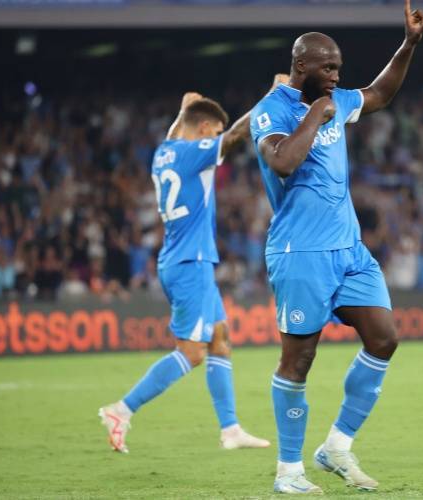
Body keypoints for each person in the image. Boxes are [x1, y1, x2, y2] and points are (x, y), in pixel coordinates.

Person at [249, 0, 423, 493]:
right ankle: (289, 472)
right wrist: (315, 113)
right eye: (327, 68)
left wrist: (408, 44)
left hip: (349, 250)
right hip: (300, 253)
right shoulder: (270, 111)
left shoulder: (336, 99)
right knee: (299, 360)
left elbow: (379, 94)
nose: (335, 76)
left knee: (384, 338)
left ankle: (336, 446)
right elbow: (282, 162)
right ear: (301, 65)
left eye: (338, 68)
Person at [99, 75, 288, 454]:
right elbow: (234, 136)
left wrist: (183, 111)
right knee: (192, 351)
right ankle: (121, 410)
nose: (214, 139)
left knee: (219, 339)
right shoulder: (194, 152)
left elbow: (178, 132)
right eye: (211, 132)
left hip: (180, 259)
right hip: (190, 263)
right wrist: (271, 96)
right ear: (203, 130)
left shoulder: (164, 152)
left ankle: (231, 430)